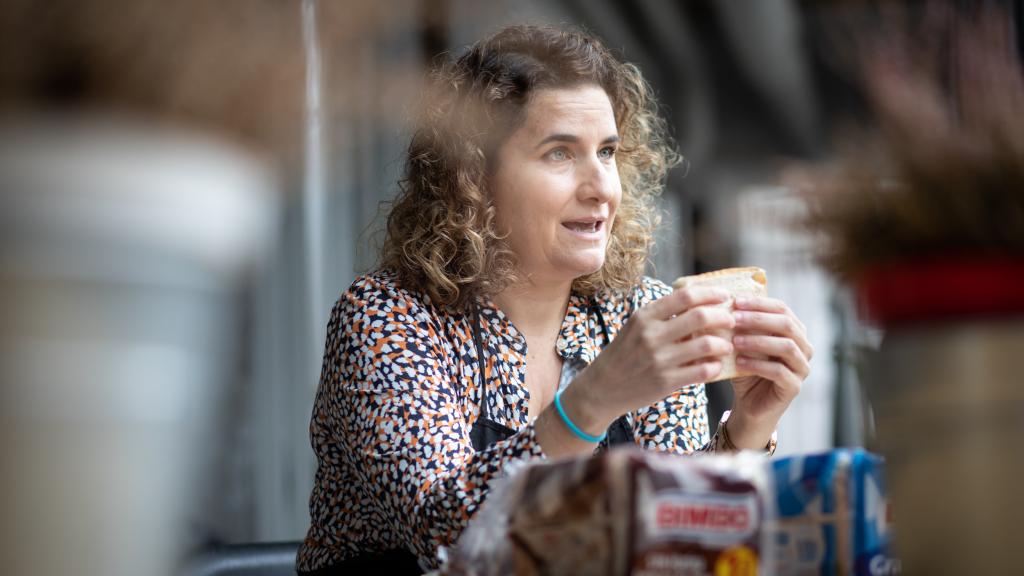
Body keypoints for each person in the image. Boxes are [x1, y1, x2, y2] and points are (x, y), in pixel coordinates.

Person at [296, 24, 812, 575]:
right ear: (472, 174)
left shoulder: (635, 314)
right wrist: (594, 399)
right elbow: (446, 534)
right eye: (560, 154)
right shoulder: (385, 320)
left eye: (607, 152)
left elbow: (676, 540)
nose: (601, 188)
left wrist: (746, 434)